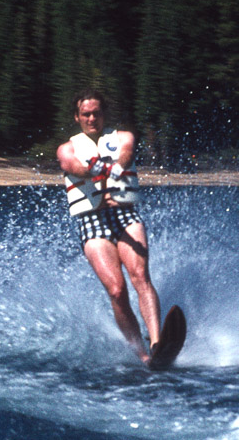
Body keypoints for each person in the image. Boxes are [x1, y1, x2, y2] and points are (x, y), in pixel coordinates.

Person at [57, 90, 162, 366]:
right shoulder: (67, 148)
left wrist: (115, 168)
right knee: (116, 289)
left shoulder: (123, 138)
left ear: (104, 114)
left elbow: (126, 155)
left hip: (125, 215)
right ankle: (141, 354)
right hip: (92, 221)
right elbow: (72, 166)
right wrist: (93, 171)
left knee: (140, 275)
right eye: (86, 114)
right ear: (77, 117)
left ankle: (157, 342)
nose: (92, 118)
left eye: (97, 113)